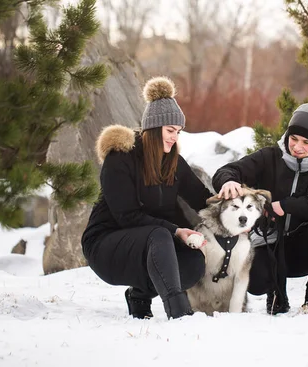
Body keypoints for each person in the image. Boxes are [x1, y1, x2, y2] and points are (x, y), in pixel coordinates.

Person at [81, 76, 213, 320]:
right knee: (160, 235)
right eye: (170, 130)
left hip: (153, 243)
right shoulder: (120, 158)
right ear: (153, 128)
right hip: (106, 245)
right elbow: (127, 216)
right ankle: (180, 313)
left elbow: (202, 199)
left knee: (193, 261)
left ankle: (140, 295)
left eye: (178, 132)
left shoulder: (173, 162)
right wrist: (176, 230)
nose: (175, 137)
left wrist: (230, 194)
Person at [213, 103, 308, 314]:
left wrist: (286, 206)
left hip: (304, 248)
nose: (297, 146)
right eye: (293, 138)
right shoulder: (269, 157)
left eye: (306, 142)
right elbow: (228, 170)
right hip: (269, 245)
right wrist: (228, 181)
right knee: (256, 282)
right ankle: (276, 292)